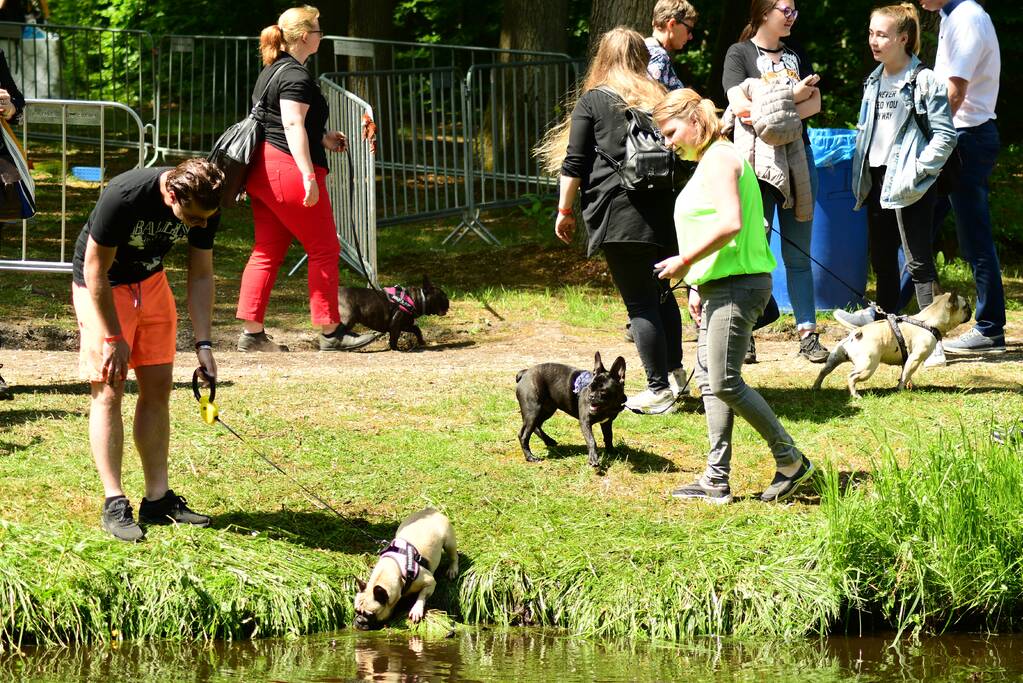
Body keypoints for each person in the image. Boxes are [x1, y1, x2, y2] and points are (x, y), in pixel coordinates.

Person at [652, 88, 814, 504]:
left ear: (693, 119)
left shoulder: (722, 158)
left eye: (671, 132)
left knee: (724, 379)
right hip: (718, 284)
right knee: (710, 380)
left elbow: (730, 223)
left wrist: (684, 262)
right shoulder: (709, 161)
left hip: (739, 285)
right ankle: (715, 479)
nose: (669, 142)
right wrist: (695, 284)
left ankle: (792, 461)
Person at [71, 158, 224, 542]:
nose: (201, 225)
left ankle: (157, 499)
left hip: (151, 284)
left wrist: (203, 344)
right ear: (172, 195)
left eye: (206, 218)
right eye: (193, 218)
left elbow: (201, 274)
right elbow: (95, 272)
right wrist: (111, 337)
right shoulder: (124, 196)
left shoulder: (205, 205)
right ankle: (114, 500)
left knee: (157, 388)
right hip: (103, 287)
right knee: (109, 389)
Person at [537, 27, 686, 415]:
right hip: (664, 214)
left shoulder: (593, 101)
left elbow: (574, 164)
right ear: (641, 57)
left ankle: (658, 390)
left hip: (620, 215)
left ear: (602, 57)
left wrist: (564, 211)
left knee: (640, 304)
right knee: (664, 296)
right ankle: (676, 376)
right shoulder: (661, 98)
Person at [236, 5, 377, 353]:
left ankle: (251, 335)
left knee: (266, 250)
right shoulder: (295, 76)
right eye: (317, 29)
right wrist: (307, 175)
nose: (321, 35)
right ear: (303, 36)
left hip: (263, 170)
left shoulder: (274, 70)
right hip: (287, 170)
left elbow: (289, 122)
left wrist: (324, 137)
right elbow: (291, 124)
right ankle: (331, 332)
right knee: (325, 248)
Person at [841, 4, 956, 367]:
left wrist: (919, 171)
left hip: (910, 183)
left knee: (918, 262)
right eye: (871, 33)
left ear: (903, 38)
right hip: (877, 179)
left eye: (882, 34)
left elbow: (945, 135)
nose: (874, 41)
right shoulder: (873, 80)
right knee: (883, 261)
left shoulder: (925, 80)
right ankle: (886, 330)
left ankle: (932, 341)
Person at [722, 0, 829, 363]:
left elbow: (814, 106)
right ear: (764, 12)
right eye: (786, 10)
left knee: (799, 255)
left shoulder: (797, 54)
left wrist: (779, 106)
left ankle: (808, 334)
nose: (792, 17)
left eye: (796, 10)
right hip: (757, 165)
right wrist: (793, 98)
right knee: (755, 251)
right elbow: (741, 109)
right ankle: (746, 334)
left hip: (800, 160)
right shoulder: (739, 54)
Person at [916, 0, 1005, 355]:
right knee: (919, 228)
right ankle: (891, 311)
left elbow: (955, 92)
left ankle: (990, 328)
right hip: (955, 137)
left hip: (965, 138)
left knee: (974, 238)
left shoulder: (967, 16)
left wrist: (930, 138)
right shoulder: (948, 15)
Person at [646, 0, 698, 90]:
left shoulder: (643, 48)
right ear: (672, 24)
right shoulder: (659, 57)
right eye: (689, 30)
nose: (690, 37)